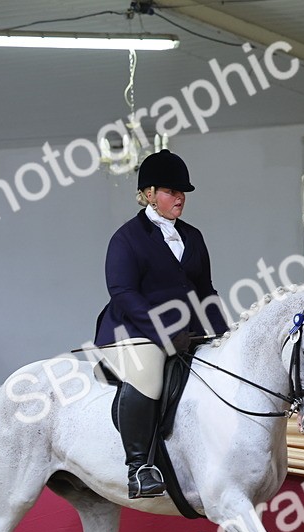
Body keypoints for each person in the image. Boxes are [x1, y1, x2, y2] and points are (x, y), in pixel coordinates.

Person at [92, 150, 230, 499]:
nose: (180, 196)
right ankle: (139, 468)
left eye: (183, 191)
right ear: (149, 193)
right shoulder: (127, 238)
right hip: (132, 333)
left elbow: (205, 290)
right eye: (171, 190)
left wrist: (223, 336)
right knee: (148, 371)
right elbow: (123, 292)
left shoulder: (193, 237)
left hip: (186, 332)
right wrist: (164, 333)